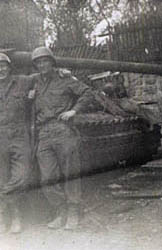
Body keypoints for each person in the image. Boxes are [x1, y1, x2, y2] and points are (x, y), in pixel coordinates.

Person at [30, 46, 95, 230]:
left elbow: (87, 92)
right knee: (47, 178)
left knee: (70, 173)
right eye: (39, 62)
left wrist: (74, 110)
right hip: (44, 133)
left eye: (46, 61)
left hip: (63, 129)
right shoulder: (34, 82)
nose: (43, 65)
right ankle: (61, 211)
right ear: (36, 65)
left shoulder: (64, 78)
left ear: (52, 63)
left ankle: (73, 212)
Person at [0, 53, 33, 233]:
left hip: (19, 136)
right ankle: (9, 218)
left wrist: (63, 71)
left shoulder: (23, 82)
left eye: (3, 66)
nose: (0, 70)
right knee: (0, 179)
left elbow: (43, 76)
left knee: (22, 176)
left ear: (9, 67)